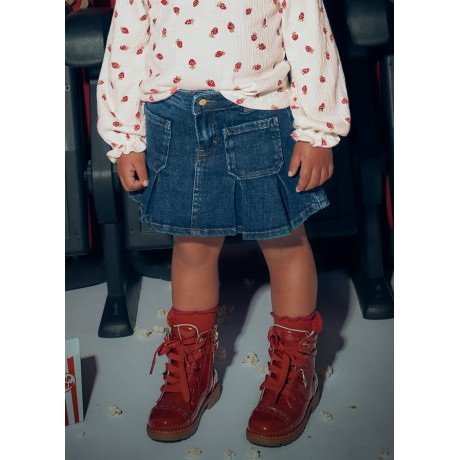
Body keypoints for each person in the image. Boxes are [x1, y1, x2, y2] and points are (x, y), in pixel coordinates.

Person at [97, 0, 350, 448]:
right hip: (174, 118)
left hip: (261, 114)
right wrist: (126, 136)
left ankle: (295, 370)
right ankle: (193, 368)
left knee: (286, 244)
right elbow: (126, 42)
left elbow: (309, 34)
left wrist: (317, 130)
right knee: (192, 247)